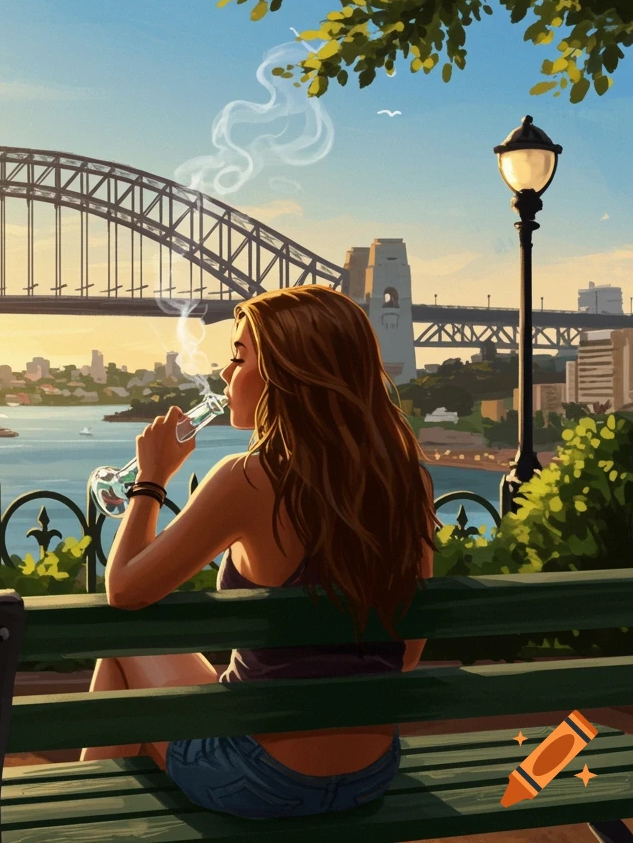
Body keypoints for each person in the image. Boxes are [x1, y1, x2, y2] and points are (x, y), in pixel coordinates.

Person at [81, 284, 438, 819]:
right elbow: (406, 654)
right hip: (370, 772)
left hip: (260, 780)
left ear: (288, 374)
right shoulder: (409, 481)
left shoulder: (249, 478)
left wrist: (150, 481)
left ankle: (87, 818)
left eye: (240, 356)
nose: (226, 373)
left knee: (122, 642)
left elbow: (124, 589)